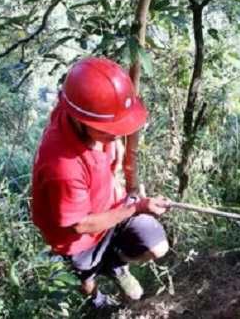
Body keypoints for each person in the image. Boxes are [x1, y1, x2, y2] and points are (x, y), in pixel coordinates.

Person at [31, 57, 170, 309]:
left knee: (157, 246)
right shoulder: (62, 165)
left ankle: (116, 263)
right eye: (109, 130)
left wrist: (112, 144)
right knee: (86, 280)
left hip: (111, 207)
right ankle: (99, 303)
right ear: (82, 122)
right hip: (77, 238)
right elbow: (79, 225)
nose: (118, 134)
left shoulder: (77, 112)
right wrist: (136, 207)